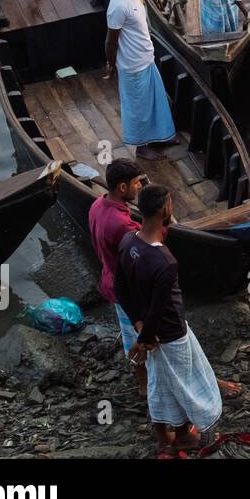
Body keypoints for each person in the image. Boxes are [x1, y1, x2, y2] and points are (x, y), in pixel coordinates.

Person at [116, 184, 223, 456]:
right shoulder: (165, 261)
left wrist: (139, 326)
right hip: (171, 332)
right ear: (165, 210)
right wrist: (145, 337)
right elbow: (159, 307)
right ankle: (184, 434)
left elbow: (120, 289)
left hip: (149, 331)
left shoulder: (129, 242)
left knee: (158, 383)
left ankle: (162, 436)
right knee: (181, 381)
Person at [106, 0, 177, 160]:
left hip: (146, 58)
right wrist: (111, 64)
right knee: (138, 107)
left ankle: (162, 136)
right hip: (132, 65)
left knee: (156, 101)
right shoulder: (118, 6)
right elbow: (110, 41)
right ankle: (141, 146)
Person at [88, 159, 145, 395]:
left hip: (110, 278)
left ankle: (143, 381)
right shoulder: (122, 224)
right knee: (139, 336)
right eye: (137, 183)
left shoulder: (98, 204)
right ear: (122, 188)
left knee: (132, 333)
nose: (140, 187)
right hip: (127, 289)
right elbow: (142, 256)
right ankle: (144, 385)